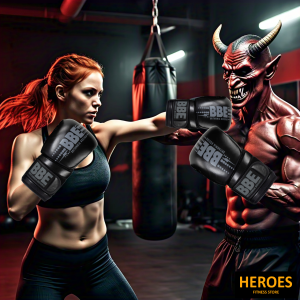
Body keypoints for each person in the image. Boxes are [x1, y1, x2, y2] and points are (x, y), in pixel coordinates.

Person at [0, 53, 176, 300]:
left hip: (97, 263)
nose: (98, 102)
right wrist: (56, 159)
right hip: (47, 268)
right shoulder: (28, 143)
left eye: (100, 94)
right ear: (62, 93)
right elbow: (16, 208)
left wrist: (209, 110)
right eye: (89, 93)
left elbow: (156, 124)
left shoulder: (103, 133)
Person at [155, 21, 300, 300]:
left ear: (268, 70)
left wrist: (236, 171)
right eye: (227, 73)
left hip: (273, 253)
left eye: (244, 72)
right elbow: (163, 132)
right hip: (229, 246)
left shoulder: (289, 126)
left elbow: (297, 202)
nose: (233, 83)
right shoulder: (223, 114)